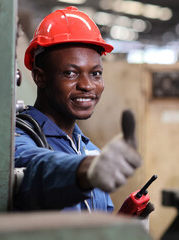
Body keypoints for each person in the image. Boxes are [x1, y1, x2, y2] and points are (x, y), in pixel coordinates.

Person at [14, 6, 141, 213]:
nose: (88, 85)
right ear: (40, 77)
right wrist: (86, 171)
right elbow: (37, 167)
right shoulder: (18, 140)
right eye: (71, 73)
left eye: (96, 73)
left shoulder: (90, 150)